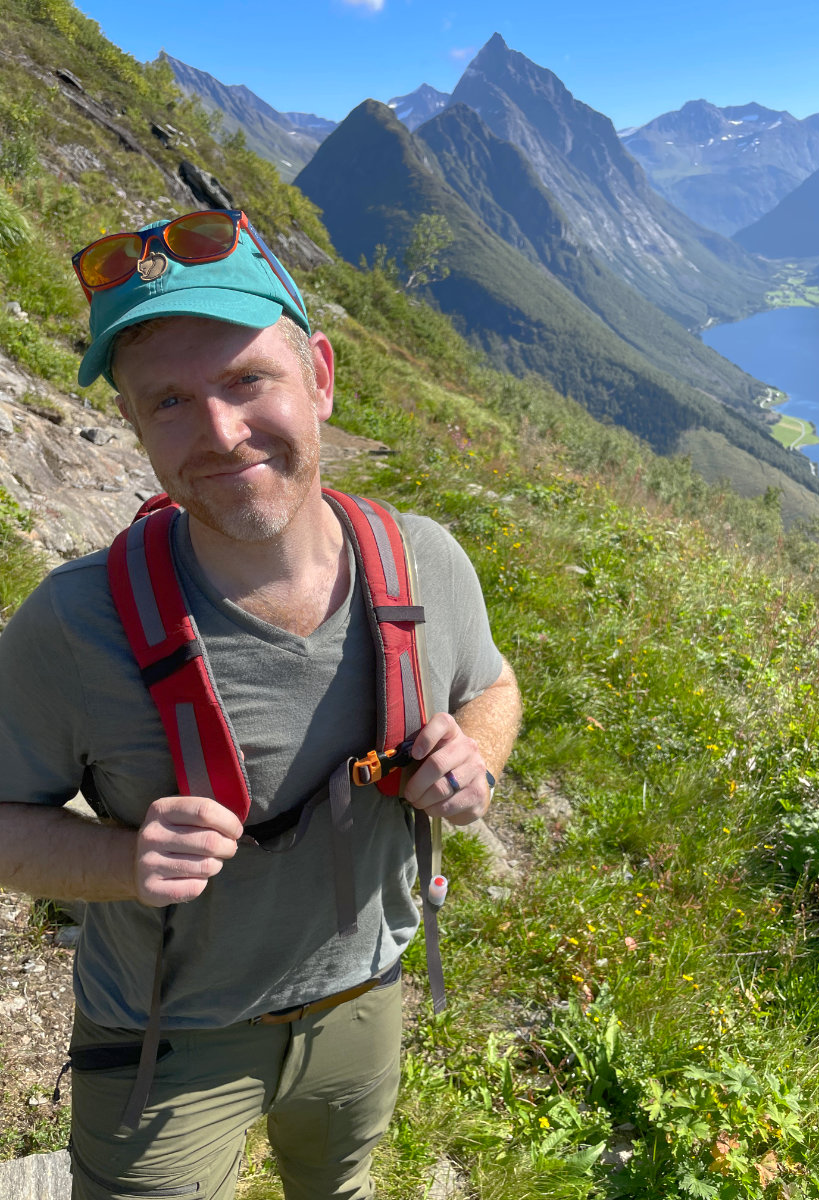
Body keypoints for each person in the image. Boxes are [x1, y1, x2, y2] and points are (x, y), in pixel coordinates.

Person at [0, 209, 521, 1199]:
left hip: (363, 999)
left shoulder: (425, 564)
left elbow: (492, 684)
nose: (220, 433)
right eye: (169, 403)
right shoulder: (76, 626)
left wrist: (476, 757)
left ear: (319, 375)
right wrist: (121, 862)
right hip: (166, 1034)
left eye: (248, 380)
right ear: (135, 424)